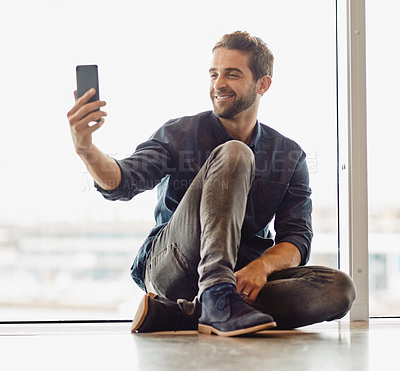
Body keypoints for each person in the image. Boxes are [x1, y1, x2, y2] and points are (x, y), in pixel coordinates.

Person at [67, 31, 356, 337]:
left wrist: (261, 268)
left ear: (263, 84)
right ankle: (215, 296)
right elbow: (121, 182)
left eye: (231, 74)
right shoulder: (178, 133)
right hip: (174, 266)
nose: (218, 84)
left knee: (338, 289)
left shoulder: (289, 155)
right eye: (214, 74)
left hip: (241, 272)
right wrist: (86, 149)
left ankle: (187, 314)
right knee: (235, 153)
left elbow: (296, 240)